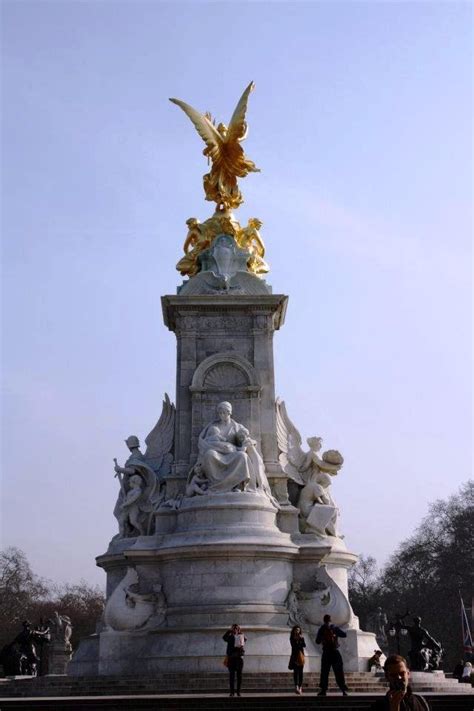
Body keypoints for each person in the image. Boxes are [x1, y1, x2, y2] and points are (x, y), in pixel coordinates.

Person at [315, 613, 349, 696]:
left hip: (326, 652)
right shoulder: (334, 628)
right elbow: (344, 635)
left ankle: (323, 690)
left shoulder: (322, 628)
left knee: (324, 672)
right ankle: (343, 690)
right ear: (330, 620)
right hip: (335, 652)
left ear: (324, 620)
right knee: (339, 672)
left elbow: (317, 641)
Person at [223, 623, 247, 697]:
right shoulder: (230, 637)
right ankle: (232, 692)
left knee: (239, 676)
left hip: (239, 659)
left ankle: (238, 692)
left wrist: (240, 632)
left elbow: (245, 639)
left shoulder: (241, 636)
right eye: (234, 628)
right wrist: (229, 631)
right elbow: (224, 638)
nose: (235, 629)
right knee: (232, 676)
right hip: (231, 659)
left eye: (237, 628)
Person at [288, 625, 306, 695]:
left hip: (301, 657)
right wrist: (297, 641)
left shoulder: (302, 638)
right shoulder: (292, 638)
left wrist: (301, 640)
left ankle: (300, 687)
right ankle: (296, 686)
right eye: (296, 630)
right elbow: (294, 647)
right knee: (296, 672)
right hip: (295, 657)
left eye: (298, 630)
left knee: (301, 672)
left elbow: (304, 645)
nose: (297, 631)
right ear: (294, 631)